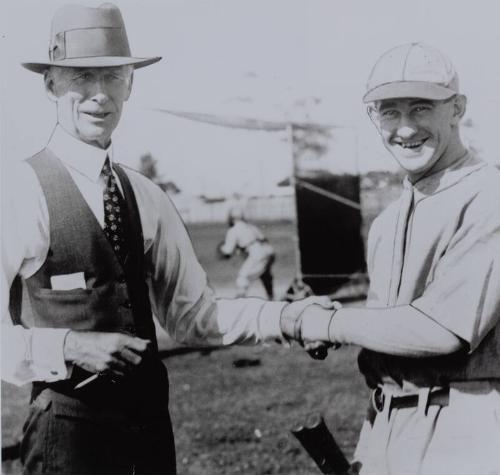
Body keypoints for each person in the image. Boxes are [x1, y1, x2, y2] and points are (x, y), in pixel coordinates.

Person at [0, 4, 331, 474]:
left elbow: (196, 317)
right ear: (50, 83)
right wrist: (70, 346)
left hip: (150, 431)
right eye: (80, 77)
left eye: (113, 75)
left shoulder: (145, 195)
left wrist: (292, 317)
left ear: (130, 83)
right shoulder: (18, 191)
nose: (99, 94)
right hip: (69, 438)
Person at [290, 42, 500, 474]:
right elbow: (388, 336)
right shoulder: (388, 220)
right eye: (389, 112)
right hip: (387, 417)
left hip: (469, 421)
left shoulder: (488, 197)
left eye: (421, 108)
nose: (404, 129)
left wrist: (327, 322)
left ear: (457, 108)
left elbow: (443, 329)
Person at [218, 206, 275, 299]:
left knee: (242, 277)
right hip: (269, 251)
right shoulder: (251, 226)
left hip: (257, 253)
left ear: (232, 218)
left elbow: (227, 251)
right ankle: (271, 297)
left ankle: (240, 302)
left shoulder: (233, 230)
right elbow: (264, 240)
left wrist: (221, 250)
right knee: (265, 274)